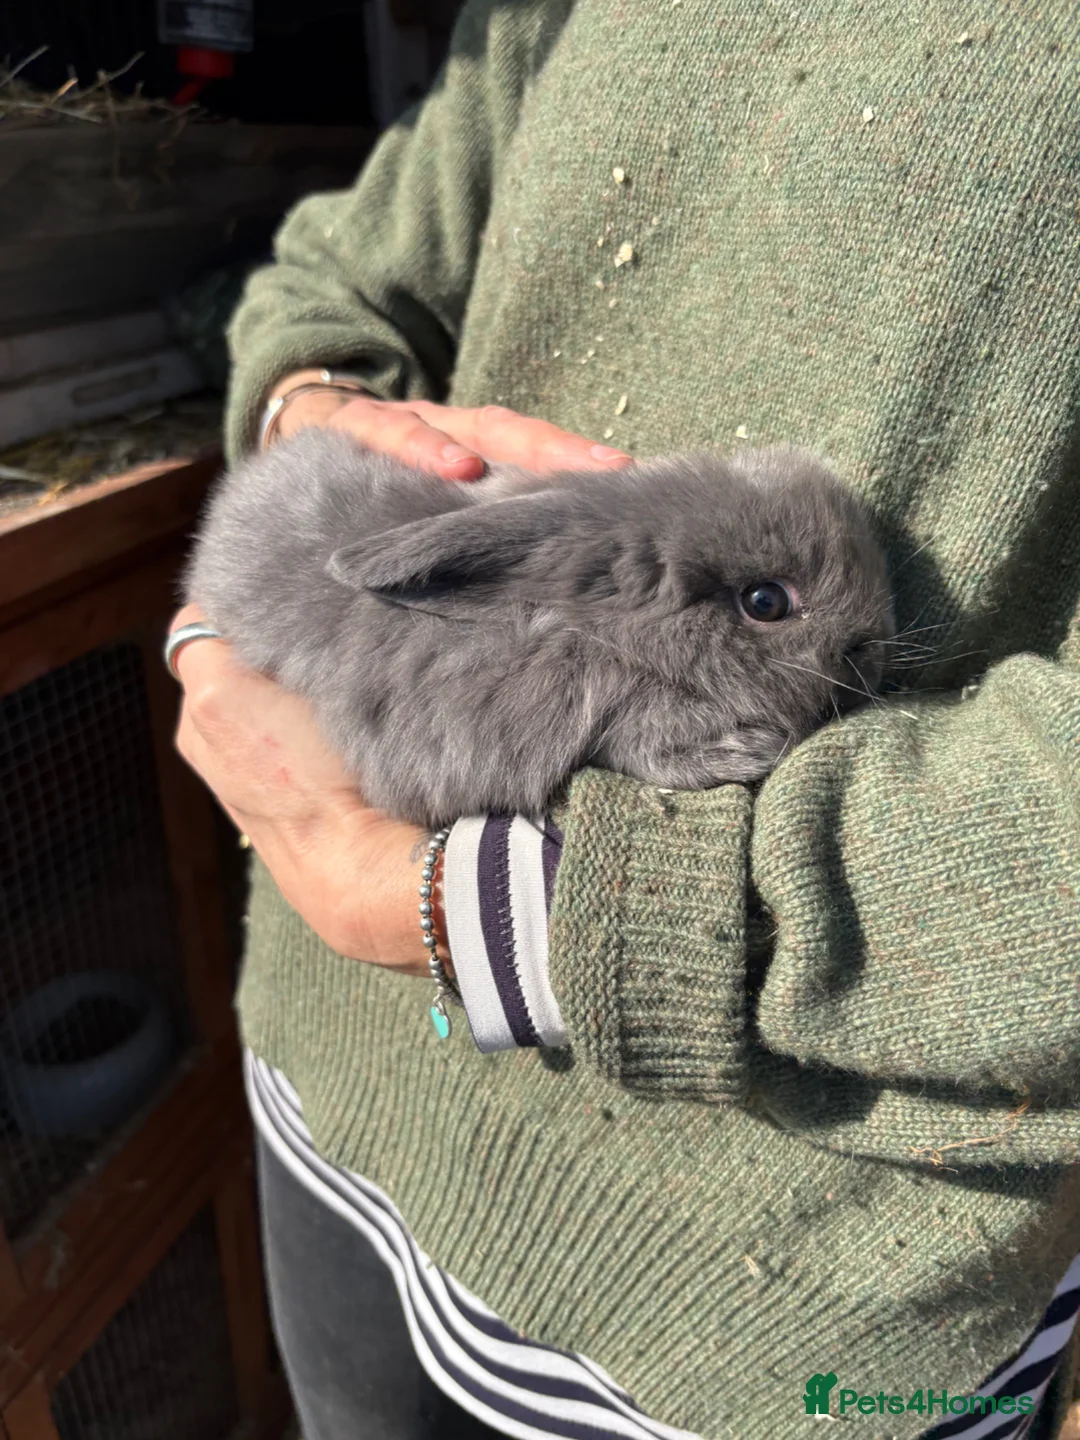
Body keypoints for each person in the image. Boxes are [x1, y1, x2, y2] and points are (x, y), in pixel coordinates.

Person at [166, 2, 1080, 1437]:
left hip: (773, 1294)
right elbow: (330, 277)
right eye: (777, 613)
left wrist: (492, 902)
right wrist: (313, 409)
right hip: (339, 1075)